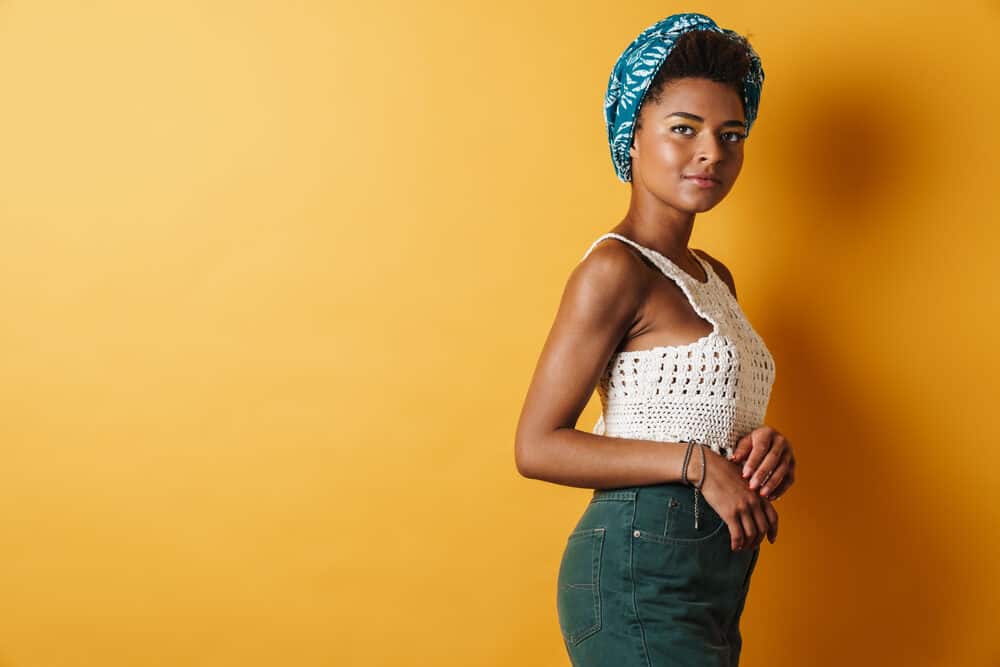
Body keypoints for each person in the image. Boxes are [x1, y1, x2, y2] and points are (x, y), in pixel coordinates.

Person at [513, 13, 798, 667]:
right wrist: (697, 461)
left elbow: (701, 417)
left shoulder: (715, 278)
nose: (712, 153)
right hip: (639, 568)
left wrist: (758, 449)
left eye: (732, 134)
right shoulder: (615, 268)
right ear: (632, 134)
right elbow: (536, 444)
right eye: (683, 129)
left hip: (715, 576)